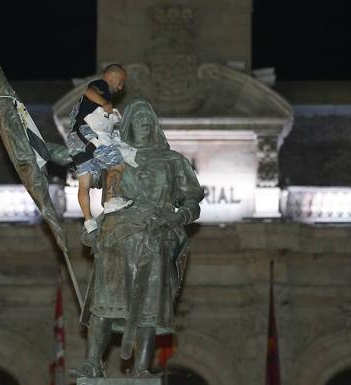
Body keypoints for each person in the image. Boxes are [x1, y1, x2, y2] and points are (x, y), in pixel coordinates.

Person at [71, 100, 204, 378]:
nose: (144, 120)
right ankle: (93, 361)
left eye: (148, 116)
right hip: (116, 237)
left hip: (154, 237)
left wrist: (175, 219)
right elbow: (84, 175)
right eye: (138, 116)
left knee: (148, 306)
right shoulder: (113, 156)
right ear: (129, 123)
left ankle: (142, 368)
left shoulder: (173, 161)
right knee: (104, 302)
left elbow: (192, 202)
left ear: (154, 124)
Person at [66, 64, 132, 233]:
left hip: (76, 142)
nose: (121, 87)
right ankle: (111, 200)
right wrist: (105, 102)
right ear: (112, 77)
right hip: (90, 136)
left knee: (84, 183)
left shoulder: (85, 106)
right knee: (118, 164)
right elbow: (89, 91)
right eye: (121, 82)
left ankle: (88, 220)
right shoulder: (102, 85)